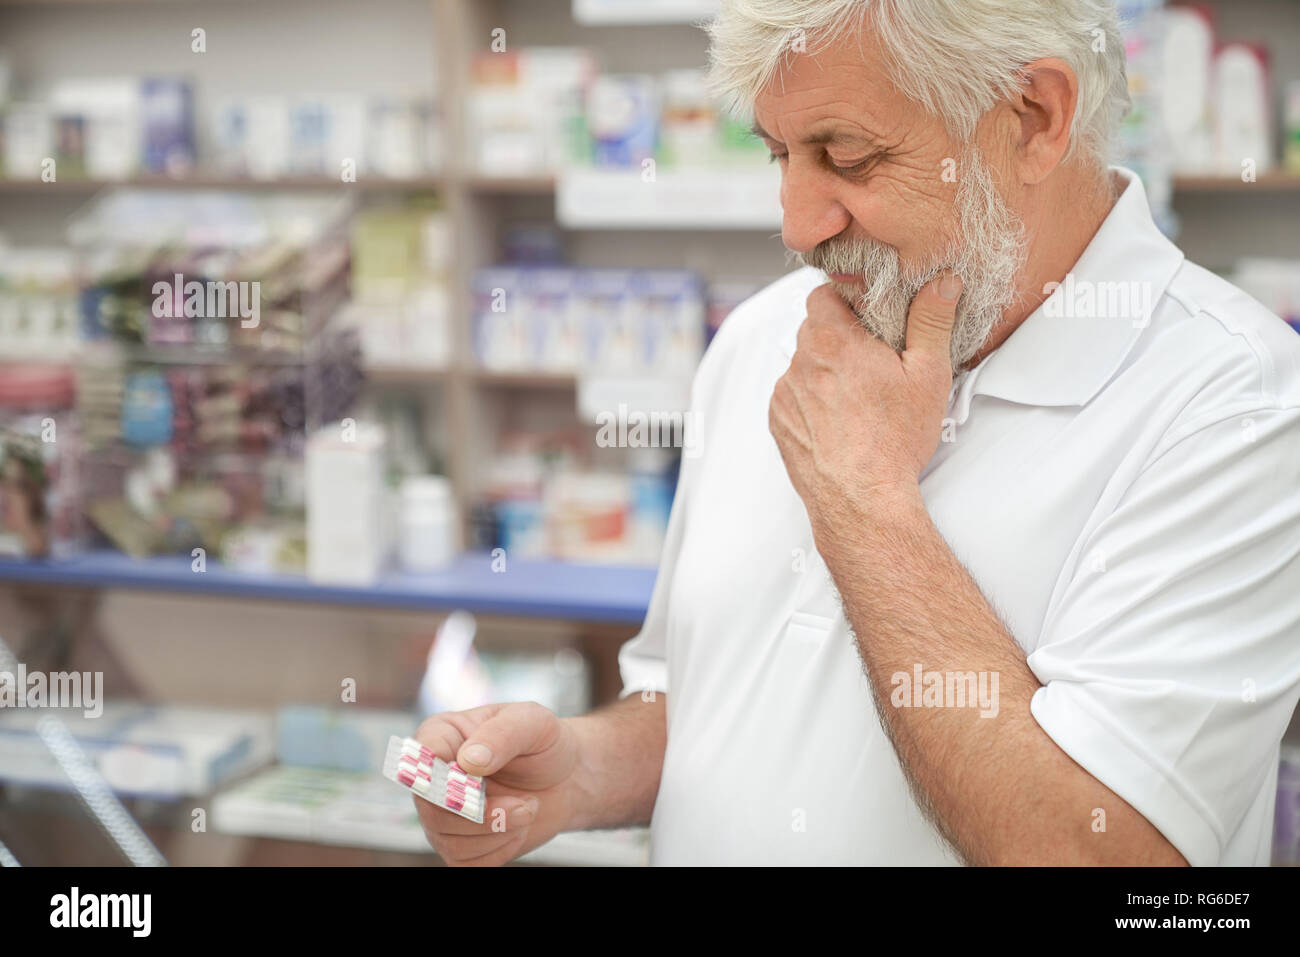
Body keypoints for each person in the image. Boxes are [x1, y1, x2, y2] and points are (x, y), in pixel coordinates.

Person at [415, 0, 1300, 865]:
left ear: (1034, 116)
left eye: (848, 157)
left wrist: (866, 501)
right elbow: (703, 693)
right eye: (780, 154)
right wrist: (581, 772)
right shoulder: (767, 339)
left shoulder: (1233, 403)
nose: (799, 227)